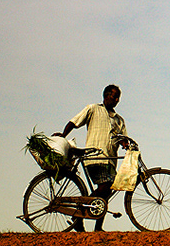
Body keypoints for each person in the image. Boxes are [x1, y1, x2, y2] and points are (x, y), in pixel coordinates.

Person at [54, 84, 127, 232]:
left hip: (109, 160)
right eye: (114, 96)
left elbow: (122, 138)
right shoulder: (93, 109)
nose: (116, 99)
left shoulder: (119, 120)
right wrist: (63, 135)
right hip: (95, 158)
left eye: (118, 97)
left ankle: (97, 227)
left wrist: (126, 143)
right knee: (105, 187)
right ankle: (79, 213)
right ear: (106, 95)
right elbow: (74, 122)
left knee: (106, 192)